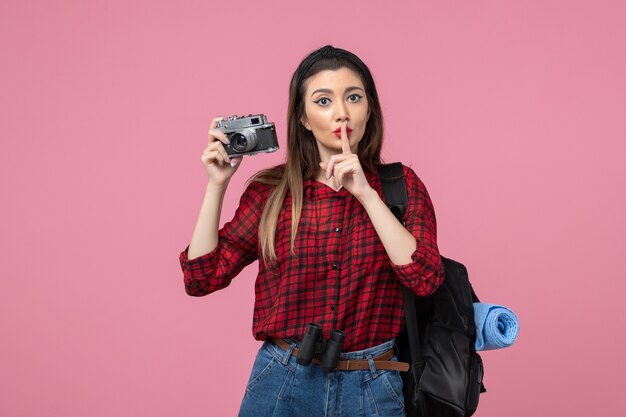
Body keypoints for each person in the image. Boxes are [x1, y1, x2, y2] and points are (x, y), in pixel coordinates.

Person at [179, 45, 444, 417]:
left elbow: (425, 278)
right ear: (302, 117)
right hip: (282, 380)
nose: (341, 112)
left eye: (354, 97)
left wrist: (366, 195)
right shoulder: (272, 193)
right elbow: (201, 278)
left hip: (373, 383)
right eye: (323, 100)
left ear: (369, 108)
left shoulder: (400, 187)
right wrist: (216, 186)